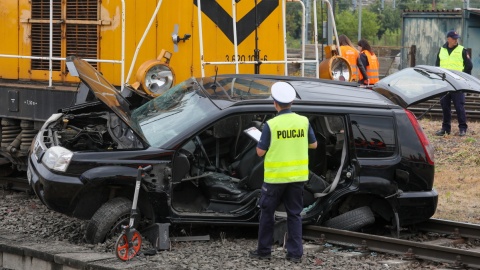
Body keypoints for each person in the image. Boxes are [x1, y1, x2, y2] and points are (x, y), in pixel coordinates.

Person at [249, 82, 317, 263]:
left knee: (267, 214)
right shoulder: (303, 121)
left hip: (275, 179)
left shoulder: (271, 125)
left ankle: (264, 251)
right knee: (294, 215)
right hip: (297, 178)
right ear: (292, 102)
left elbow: (260, 152)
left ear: (275, 103)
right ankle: (295, 254)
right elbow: (314, 144)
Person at [435, 29, 473, 137]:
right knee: (445, 106)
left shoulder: (462, 50)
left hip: (458, 84)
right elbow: (437, 66)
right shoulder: (441, 50)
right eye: (454, 39)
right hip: (445, 83)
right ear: (448, 39)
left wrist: (464, 80)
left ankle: (462, 129)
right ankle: (445, 129)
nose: (456, 41)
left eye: (457, 39)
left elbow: (469, 66)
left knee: (459, 106)